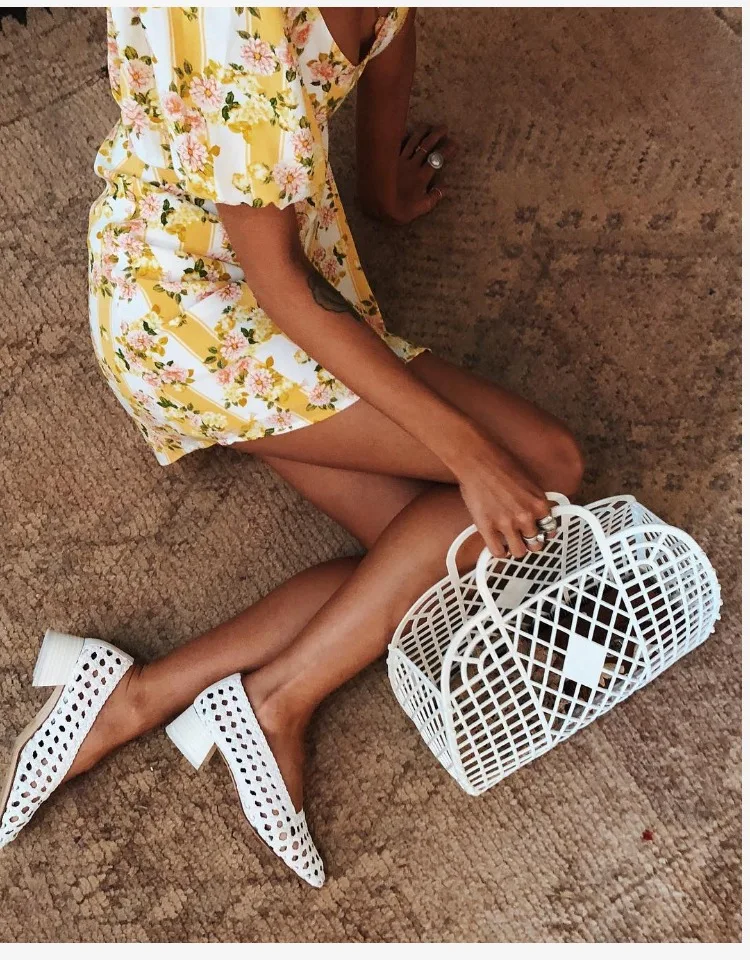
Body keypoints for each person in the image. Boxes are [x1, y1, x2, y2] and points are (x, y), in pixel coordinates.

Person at [0, 7, 583, 886]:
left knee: (430, 552)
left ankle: (136, 695)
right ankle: (278, 702)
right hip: (189, 315)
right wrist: (471, 455)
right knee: (543, 467)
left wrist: (383, 190)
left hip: (263, 267)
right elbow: (280, 290)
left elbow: (388, 43)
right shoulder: (240, 37)